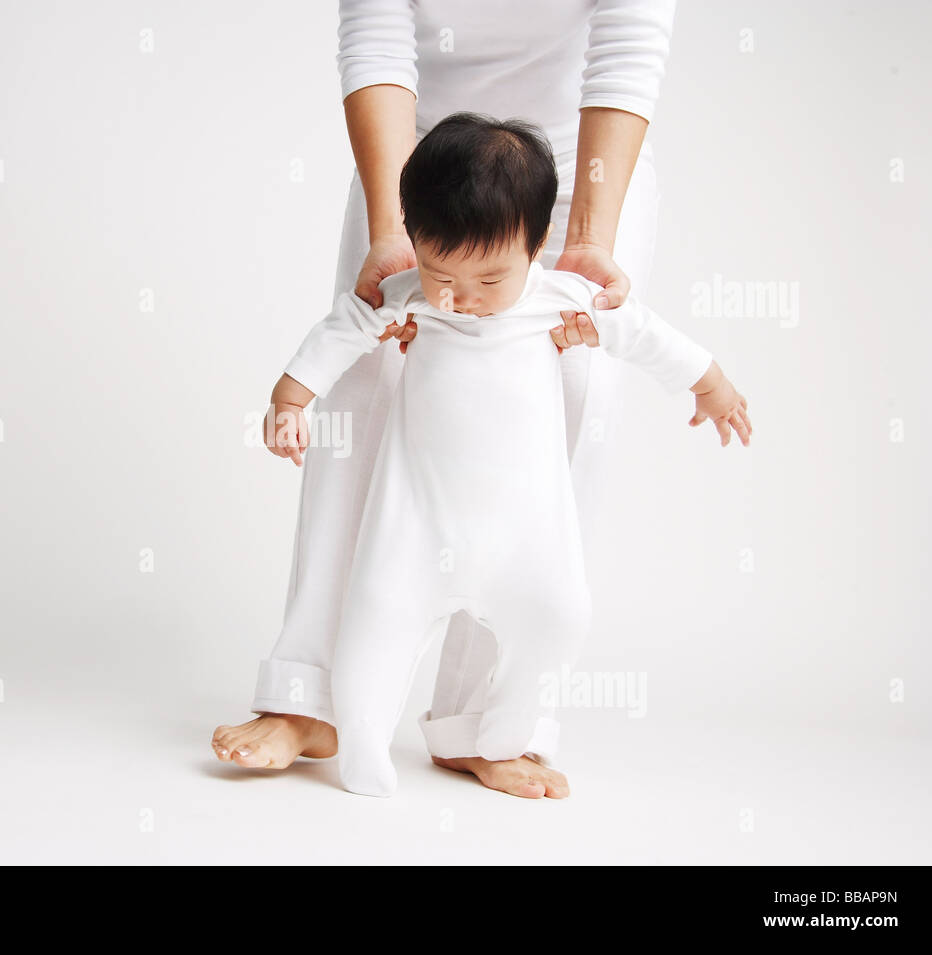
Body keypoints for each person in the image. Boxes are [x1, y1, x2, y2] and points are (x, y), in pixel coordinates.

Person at [214, 0, 690, 798]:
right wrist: (393, 226)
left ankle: (485, 723)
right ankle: (311, 694)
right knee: (359, 387)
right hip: (422, 170)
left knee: (574, 393)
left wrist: (590, 238)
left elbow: (629, 42)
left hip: (578, 165)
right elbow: (377, 36)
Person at [262, 113, 748, 796]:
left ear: (537, 244)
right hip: (415, 529)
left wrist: (711, 383)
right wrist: (290, 398)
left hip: (525, 537)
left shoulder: (564, 300)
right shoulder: (408, 296)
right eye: (440, 273)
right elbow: (342, 330)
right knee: (376, 618)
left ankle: (497, 739)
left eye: (489, 280)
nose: (460, 299)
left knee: (560, 613)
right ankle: (362, 740)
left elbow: (644, 335)